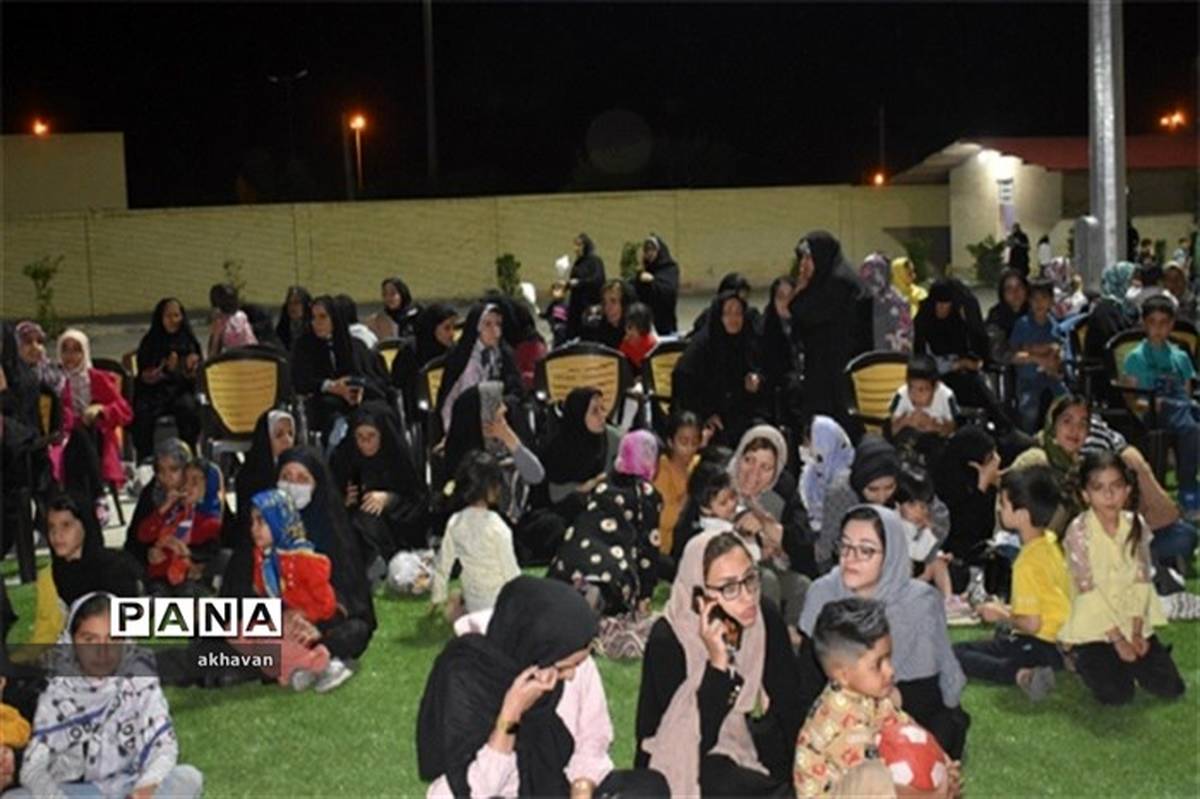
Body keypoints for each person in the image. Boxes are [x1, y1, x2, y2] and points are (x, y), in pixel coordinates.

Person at [419, 577, 667, 798]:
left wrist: (582, 787)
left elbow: (592, 737)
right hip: (492, 789)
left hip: (558, 784)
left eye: (577, 664)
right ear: (534, 653)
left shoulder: (569, 655)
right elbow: (463, 791)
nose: (571, 674)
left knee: (648, 789)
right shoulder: (468, 678)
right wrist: (511, 715)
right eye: (564, 667)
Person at [636, 531, 805, 796]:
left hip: (741, 737)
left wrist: (806, 770)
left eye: (750, 579)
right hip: (679, 750)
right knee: (719, 779)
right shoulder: (668, 640)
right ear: (699, 597)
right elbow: (693, 739)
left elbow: (790, 703)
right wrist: (717, 665)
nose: (748, 596)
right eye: (729, 588)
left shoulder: (763, 618)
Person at [800, 506, 969, 760]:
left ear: (891, 554)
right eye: (845, 546)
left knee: (935, 737)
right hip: (838, 710)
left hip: (907, 707)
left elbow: (927, 692)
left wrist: (879, 708)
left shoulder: (919, 602)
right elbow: (809, 678)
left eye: (866, 550)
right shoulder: (822, 593)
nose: (850, 558)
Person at [14, 593, 204, 799]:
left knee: (188, 777)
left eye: (113, 638)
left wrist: (143, 789)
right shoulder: (56, 690)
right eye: (89, 640)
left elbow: (163, 749)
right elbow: (36, 768)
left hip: (131, 785)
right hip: (79, 792)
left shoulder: (139, 681)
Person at [1058, 451, 1186, 705]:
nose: (1109, 495)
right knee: (1117, 695)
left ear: (1127, 490)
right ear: (1085, 495)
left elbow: (1141, 579)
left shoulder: (1135, 524)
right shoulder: (1078, 532)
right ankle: (1078, 656)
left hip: (1131, 620)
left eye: (1116, 486)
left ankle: (1131, 661)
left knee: (1172, 687)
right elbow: (1087, 591)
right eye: (1099, 488)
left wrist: (1137, 631)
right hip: (1096, 626)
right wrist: (1117, 640)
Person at [794, 598, 955, 798]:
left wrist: (942, 764)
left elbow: (908, 728)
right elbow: (880, 784)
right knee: (873, 776)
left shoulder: (874, 698)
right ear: (843, 675)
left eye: (889, 658)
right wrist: (934, 793)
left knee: (912, 737)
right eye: (878, 664)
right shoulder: (837, 720)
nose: (890, 670)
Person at [953, 467, 1070, 700]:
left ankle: (1021, 675)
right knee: (998, 640)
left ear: (1022, 514)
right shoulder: (1049, 542)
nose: (999, 509)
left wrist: (1001, 614)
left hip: (1038, 643)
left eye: (1003, 504)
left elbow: (1032, 624)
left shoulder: (1026, 562)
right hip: (1060, 642)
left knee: (956, 653)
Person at [243, 489, 352, 693]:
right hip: (287, 618)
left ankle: (324, 665)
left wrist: (300, 615)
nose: (254, 529)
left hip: (316, 621)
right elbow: (263, 594)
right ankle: (302, 665)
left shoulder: (305, 559)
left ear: (278, 521)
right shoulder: (263, 557)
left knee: (266, 639)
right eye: (252, 522)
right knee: (240, 628)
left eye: (261, 522)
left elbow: (327, 606)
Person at [274, 447, 377, 661]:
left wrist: (308, 617)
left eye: (302, 479)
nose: (292, 486)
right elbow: (242, 588)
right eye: (286, 477)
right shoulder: (262, 524)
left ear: (317, 486)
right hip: (269, 617)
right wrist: (282, 615)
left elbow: (351, 600)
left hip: (319, 620)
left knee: (355, 631)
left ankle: (308, 654)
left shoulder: (333, 531)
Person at [1122, 295, 1200, 514]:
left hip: (1180, 408)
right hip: (1152, 411)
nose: (1158, 328)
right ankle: (1188, 486)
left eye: (1164, 323)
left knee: (1189, 416)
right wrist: (1147, 404)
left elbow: (1186, 392)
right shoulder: (1135, 358)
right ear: (1144, 323)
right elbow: (1130, 398)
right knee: (1189, 425)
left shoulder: (1180, 356)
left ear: (1172, 324)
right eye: (1152, 322)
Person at [789, 231, 873, 432]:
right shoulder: (825, 282)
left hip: (836, 373)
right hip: (826, 368)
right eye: (802, 258)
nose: (803, 265)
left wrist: (800, 290)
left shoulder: (839, 284)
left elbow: (803, 313)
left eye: (809, 258)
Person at [32, 495, 140, 647]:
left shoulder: (114, 569)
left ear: (85, 525)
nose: (57, 534)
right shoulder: (55, 573)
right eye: (51, 527)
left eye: (66, 525)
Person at [331, 408, 430, 571]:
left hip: (399, 538)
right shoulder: (344, 458)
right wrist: (344, 501)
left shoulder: (397, 458)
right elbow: (329, 503)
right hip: (357, 543)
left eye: (371, 436)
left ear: (382, 435)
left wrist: (389, 499)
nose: (365, 442)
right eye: (359, 436)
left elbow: (418, 503)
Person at [52, 329, 133, 518]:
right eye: (65, 350)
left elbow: (125, 411)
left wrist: (101, 410)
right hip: (65, 437)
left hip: (97, 438)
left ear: (85, 352)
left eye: (76, 350)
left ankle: (89, 499)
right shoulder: (55, 380)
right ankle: (98, 495)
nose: (70, 356)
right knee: (77, 436)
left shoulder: (97, 378)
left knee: (83, 436)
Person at [431, 451, 522, 616]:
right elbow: (511, 573)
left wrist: (437, 597)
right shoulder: (497, 527)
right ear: (492, 487)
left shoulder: (455, 522)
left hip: (473, 605)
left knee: (457, 596)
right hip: (499, 606)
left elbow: (443, 565)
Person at [290, 295, 390, 445]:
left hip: (359, 399)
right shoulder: (304, 347)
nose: (316, 323)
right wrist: (332, 386)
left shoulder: (354, 345)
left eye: (323, 317)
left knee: (380, 411)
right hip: (324, 402)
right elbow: (301, 381)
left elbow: (372, 377)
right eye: (313, 318)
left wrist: (357, 388)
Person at [914, 278, 1009, 431]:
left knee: (977, 386)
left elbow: (970, 346)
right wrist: (957, 365)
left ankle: (1002, 428)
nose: (942, 309)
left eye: (946, 304)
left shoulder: (955, 322)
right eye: (938, 304)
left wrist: (974, 362)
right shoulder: (924, 321)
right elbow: (922, 362)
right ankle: (1004, 427)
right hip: (934, 380)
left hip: (961, 377)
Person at [672, 291, 765, 447]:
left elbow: (758, 371)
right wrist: (706, 414)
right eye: (727, 313)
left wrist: (756, 382)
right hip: (703, 414)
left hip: (738, 412)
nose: (733, 319)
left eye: (738, 313)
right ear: (718, 316)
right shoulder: (703, 345)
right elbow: (682, 381)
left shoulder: (747, 341)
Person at [135, 456, 224, 595]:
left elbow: (212, 553)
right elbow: (143, 534)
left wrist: (187, 553)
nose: (187, 486)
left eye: (194, 482)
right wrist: (164, 507)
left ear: (209, 487)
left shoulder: (211, 523)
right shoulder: (173, 513)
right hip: (160, 579)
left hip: (190, 583)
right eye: (185, 480)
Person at [436, 303, 523, 438]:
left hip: (498, 421)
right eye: (487, 324)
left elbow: (516, 389)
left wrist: (505, 403)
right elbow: (452, 400)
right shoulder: (462, 356)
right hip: (463, 424)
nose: (495, 331)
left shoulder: (503, 354)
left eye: (498, 324)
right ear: (476, 328)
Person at [132, 298, 202, 460]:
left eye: (176, 315)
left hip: (180, 390)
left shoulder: (189, 341)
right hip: (154, 391)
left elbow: (196, 375)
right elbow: (144, 374)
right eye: (168, 316)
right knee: (143, 411)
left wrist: (187, 369)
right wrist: (161, 371)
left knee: (188, 409)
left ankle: (188, 454)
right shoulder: (150, 341)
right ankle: (146, 457)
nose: (172, 320)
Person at [818, 436, 902, 569]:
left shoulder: (904, 487)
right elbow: (826, 544)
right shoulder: (841, 493)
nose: (882, 497)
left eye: (889, 487)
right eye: (873, 489)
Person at [540, 387, 620, 524]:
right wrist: (585, 488)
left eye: (603, 408)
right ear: (578, 415)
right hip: (566, 517)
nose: (602, 416)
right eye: (594, 411)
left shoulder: (613, 439)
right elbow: (553, 495)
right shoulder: (559, 449)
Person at [1010, 279, 1067, 433]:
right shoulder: (1022, 324)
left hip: (1051, 377)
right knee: (1029, 408)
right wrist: (1039, 354)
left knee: (1066, 401)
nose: (1039, 303)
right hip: (1028, 379)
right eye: (1035, 299)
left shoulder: (1055, 326)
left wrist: (1052, 358)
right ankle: (1027, 438)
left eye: (1044, 299)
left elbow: (1059, 352)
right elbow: (1015, 353)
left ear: (1051, 301)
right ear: (1029, 301)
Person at [887, 353, 958, 465]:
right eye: (911, 388)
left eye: (922, 390)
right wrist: (907, 421)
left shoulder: (946, 396)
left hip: (936, 443)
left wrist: (935, 427)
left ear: (935, 387)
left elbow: (952, 429)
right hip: (908, 441)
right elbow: (892, 430)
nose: (915, 395)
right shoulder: (901, 395)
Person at [390, 303, 458, 418]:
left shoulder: (453, 352)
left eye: (454, 328)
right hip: (416, 415)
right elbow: (397, 384)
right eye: (447, 328)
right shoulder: (411, 351)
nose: (452, 334)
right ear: (432, 328)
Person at [654, 410, 705, 557]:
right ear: (670, 442)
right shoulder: (661, 469)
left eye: (694, 443)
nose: (689, 449)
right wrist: (686, 501)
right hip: (663, 549)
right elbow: (664, 520)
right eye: (683, 442)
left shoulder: (698, 466)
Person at [671, 461, 739, 561]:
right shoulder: (711, 538)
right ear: (706, 509)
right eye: (723, 503)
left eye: (733, 496)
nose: (732, 504)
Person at [860, 253, 913, 353]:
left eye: (873, 277)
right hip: (865, 358)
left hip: (889, 358)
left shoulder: (898, 303)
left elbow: (904, 340)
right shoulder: (860, 300)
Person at [635, 234, 680, 335]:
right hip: (646, 322)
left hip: (665, 322)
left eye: (652, 249)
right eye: (646, 250)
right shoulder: (645, 270)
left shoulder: (670, 268)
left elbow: (670, 291)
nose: (649, 253)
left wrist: (652, 281)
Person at [566, 233, 606, 340]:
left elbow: (598, 280)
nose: (576, 249)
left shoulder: (595, 261)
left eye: (579, 245)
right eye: (575, 245)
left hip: (589, 306)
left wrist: (580, 282)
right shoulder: (578, 263)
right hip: (576, 306)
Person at [984, 268, 1029, 363]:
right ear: (1002, 294)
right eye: (1009, 289)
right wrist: (1033, 357)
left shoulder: (1035, 309)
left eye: (1019, 286)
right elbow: (997, 351)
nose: (1015, 292)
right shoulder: (996, 316)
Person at [206, 283, 257, 357]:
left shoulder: (241, 316)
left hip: (251, 354)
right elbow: (212, 353)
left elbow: (250, 340)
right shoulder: (219, 322)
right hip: (235, 357)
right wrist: (216, 334)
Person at [582, 279, 633, 350]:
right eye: (604, 303)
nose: (607, 308)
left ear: (625, 304)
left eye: (613, 301)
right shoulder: (598, 329)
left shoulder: (636, 332)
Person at [369, 276, 421, 341]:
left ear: (402, 293)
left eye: (392, 294)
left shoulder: (417, 314)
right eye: (385, 294)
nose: (388, 298)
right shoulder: (378, 320)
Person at [619, 302, 657, 369]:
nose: (629, 332)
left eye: (637, 328)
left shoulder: (652, 345)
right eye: (628, 327)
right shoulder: (625, 344)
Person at [274, 285, 312, 353]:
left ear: (305, 305)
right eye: (289, 303)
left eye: (296, 303)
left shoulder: (314, 328)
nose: (292, 307)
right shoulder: (282, 327)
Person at [890, 256, 928, 321]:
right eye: (909, 274)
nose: (914, 276)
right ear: (898, 274)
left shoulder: (920, 293)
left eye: (913, 272)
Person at [542, 280, 570, 347]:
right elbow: (547, 315)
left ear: (564, 292)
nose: (554, 292)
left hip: (563, 331)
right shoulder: (552, 305)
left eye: (557, 290)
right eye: (554, 289)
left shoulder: (566, 305)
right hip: (555, 331)